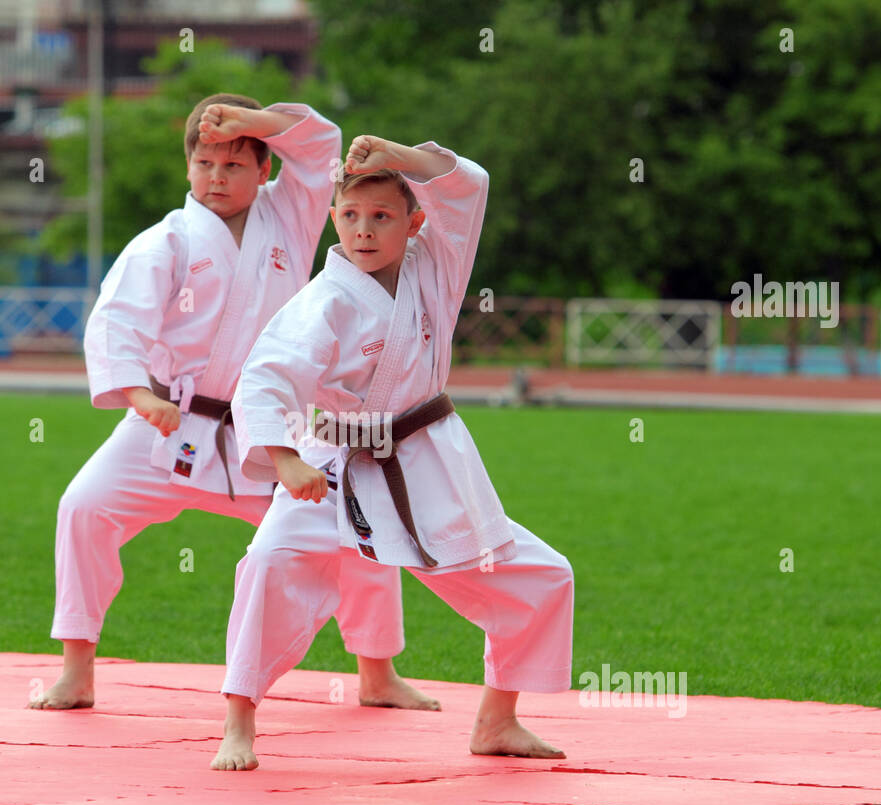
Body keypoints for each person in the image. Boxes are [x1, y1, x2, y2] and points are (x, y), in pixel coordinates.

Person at [31, 97, 436, 713]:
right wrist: (140, 395)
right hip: (171, 419)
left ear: (264, 169)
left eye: (234, 164)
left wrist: (251, 122)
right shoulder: (165, 241)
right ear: (188, 168)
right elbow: (119, 322)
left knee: (359, 526)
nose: (217, 177)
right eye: (204, 163)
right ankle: (76, 669)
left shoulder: (293, 215)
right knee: (83, 507)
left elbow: (322, 141)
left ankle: (377, 673)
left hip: (269, 428)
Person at [212, 134, 574, 770]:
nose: (364, 230)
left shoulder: (437, 264)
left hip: (425, 457)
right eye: (350, 216)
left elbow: (472, 181)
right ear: (333, 219)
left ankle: (498, 720)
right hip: (332, 463)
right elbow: (267, 376)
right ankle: (238, 722)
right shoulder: (324, 301)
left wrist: (400, 157)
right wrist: (287, 461)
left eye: (382, 217)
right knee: (267, 563)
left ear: (415, 223)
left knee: (543, 576)